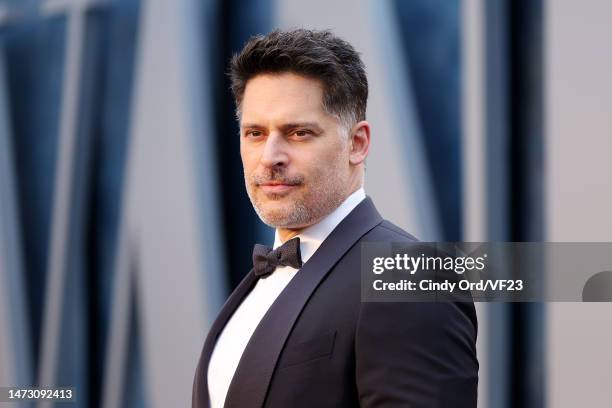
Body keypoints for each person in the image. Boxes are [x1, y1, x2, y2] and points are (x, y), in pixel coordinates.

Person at [192, 29, 478, 408]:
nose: (270, 157)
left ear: (357, 143)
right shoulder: (258, 282)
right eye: (255, 133)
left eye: (298, 133)